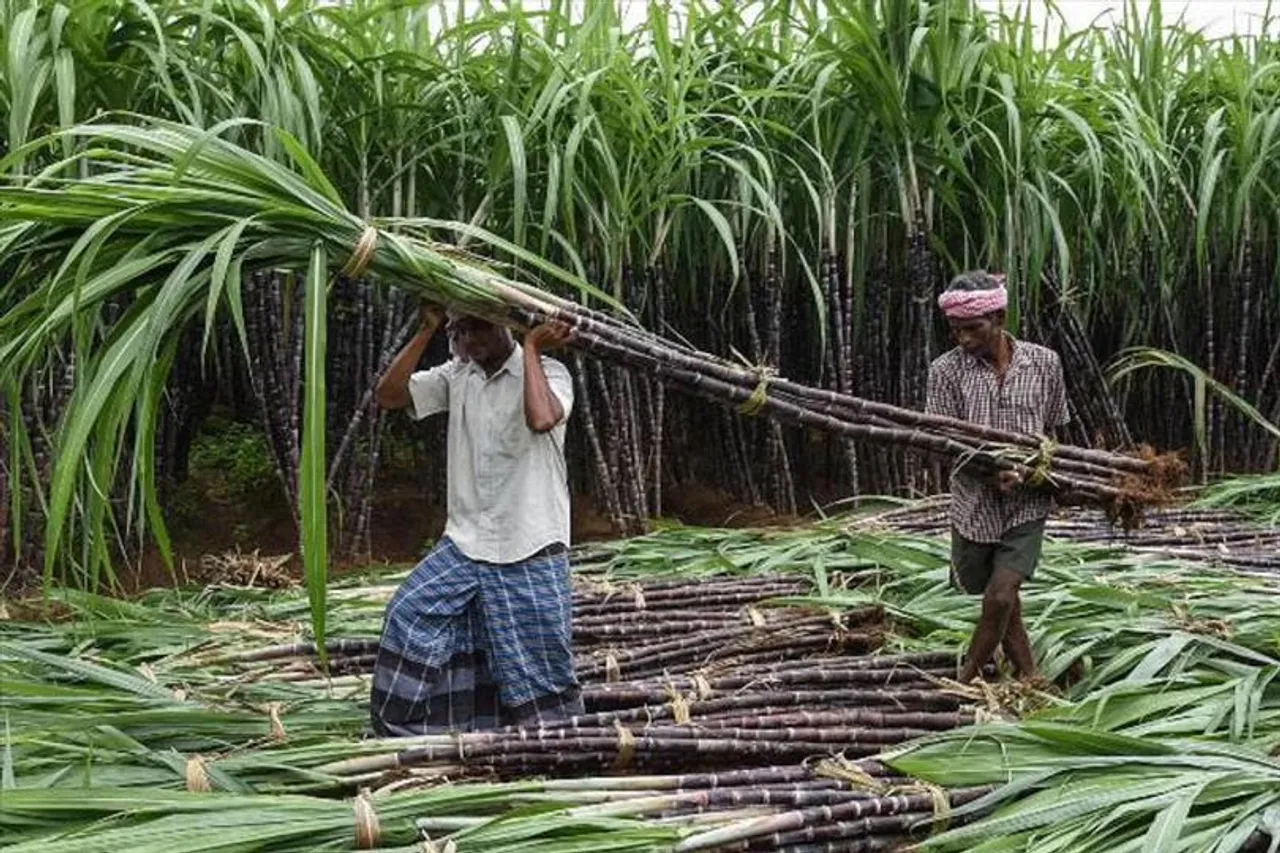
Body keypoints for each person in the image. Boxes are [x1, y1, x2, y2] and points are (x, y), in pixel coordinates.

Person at [369, 304, 581, 734]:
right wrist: (427, 329)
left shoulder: (550, 373)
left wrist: (534, 346)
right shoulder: (457, 376)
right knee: (408, 614)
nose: (469, 341)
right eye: (460, 332)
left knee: (539, 662)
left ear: (507, 323)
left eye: (478, 327)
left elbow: (542, 419)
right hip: (466, 543)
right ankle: (414, 733)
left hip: (530, 543)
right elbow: (388, 396)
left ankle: (556, 745)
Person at [925, 271, 1070, 685]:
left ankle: (965, 679)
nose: (964, 339)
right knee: (1000, 600)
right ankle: (1029, 675)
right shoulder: (946, 371)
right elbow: (946, 441)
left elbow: (1056, 430)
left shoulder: (1045, 363)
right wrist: (991, 474)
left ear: (1000, 317)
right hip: (974, 504)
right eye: (956, 330)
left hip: (1028, 501)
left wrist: (1040, 474)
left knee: (1002, 593)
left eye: (974, 328)